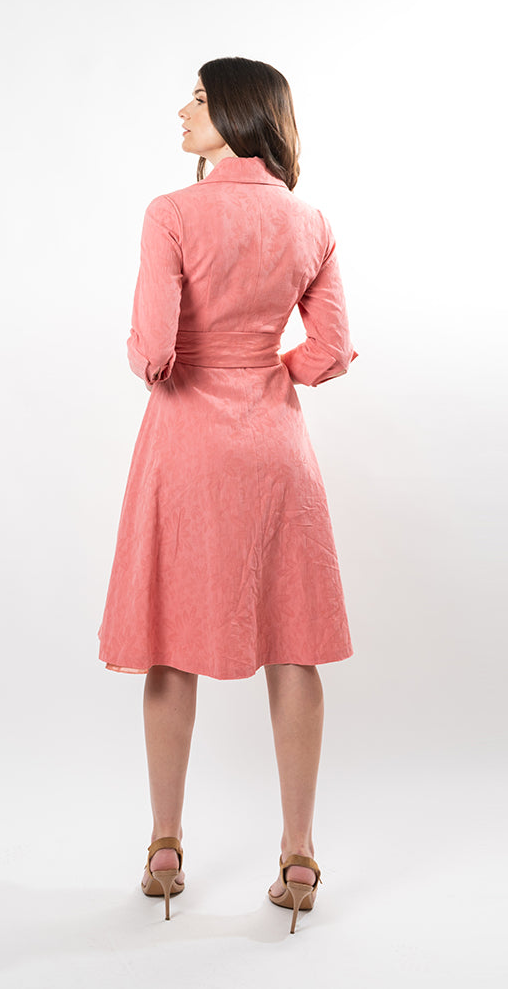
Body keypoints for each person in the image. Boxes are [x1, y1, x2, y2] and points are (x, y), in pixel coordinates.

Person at [96, 57, 358, 934]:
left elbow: (156, 350)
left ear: (238, 115)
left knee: (169, 640)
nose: (182, 110)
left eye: (199, 99)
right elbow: (326, 353)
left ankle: (166, 845)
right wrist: (264, 369)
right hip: (277, 447)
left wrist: (145, 349)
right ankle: (298, 850)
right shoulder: (311, 221)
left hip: (188, 448)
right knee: (295, 643)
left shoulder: (172, 213)